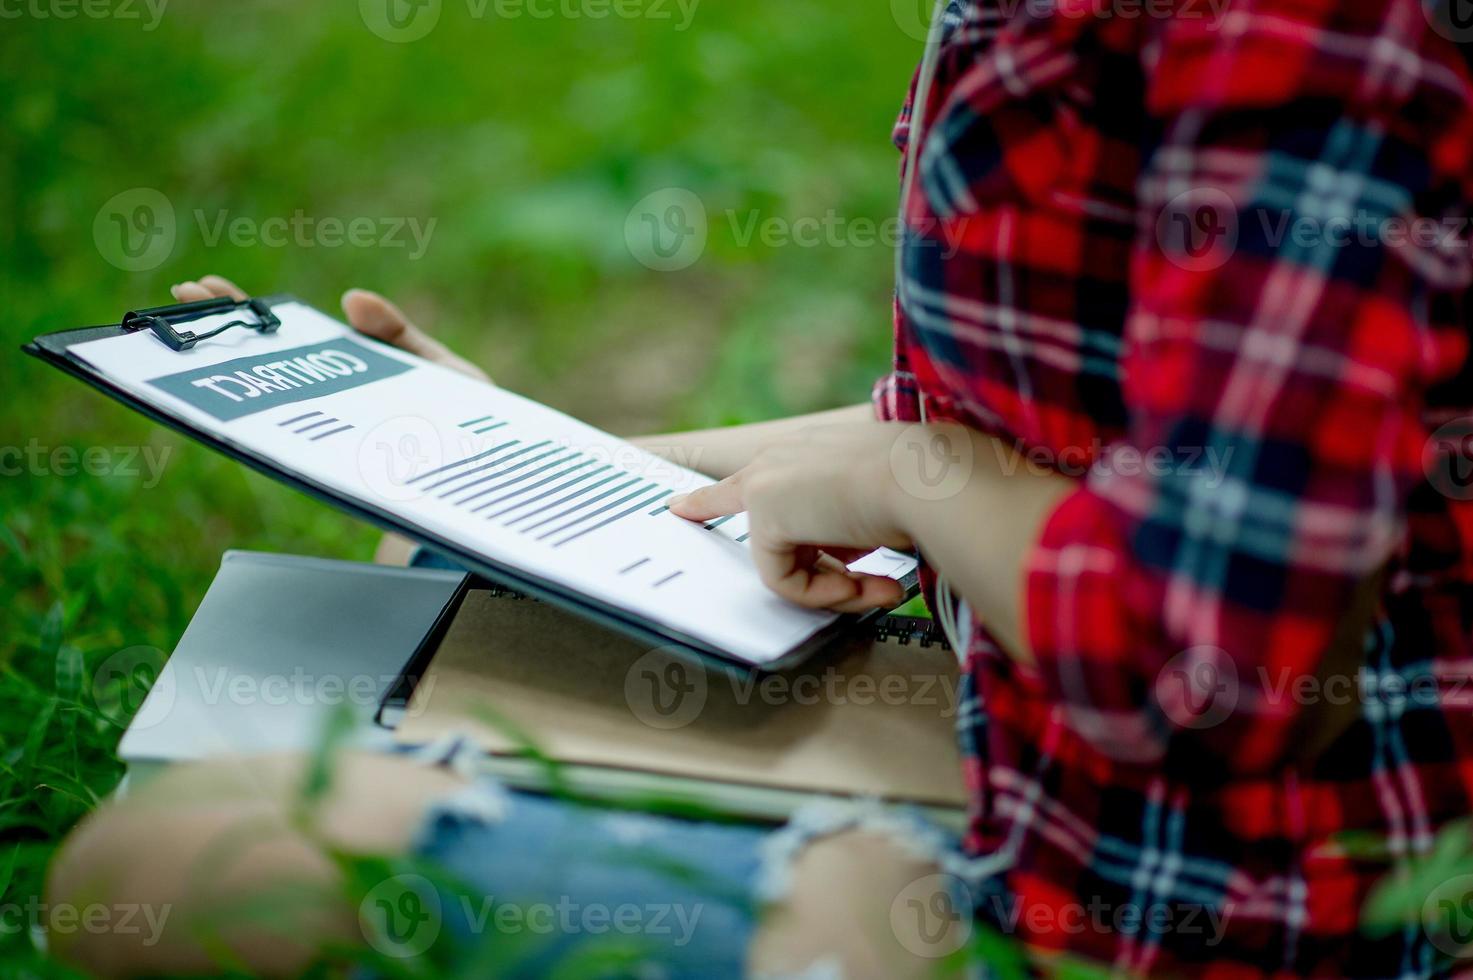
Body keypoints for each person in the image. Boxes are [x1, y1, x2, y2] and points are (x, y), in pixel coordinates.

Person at [48, 0, 1473, 975]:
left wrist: (915, 476)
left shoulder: (1291, 32)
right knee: (403, 607)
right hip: (1025, 738)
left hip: (1190, 899)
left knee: (180, 861)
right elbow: (1058, 427)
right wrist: (506, 455)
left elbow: (1223, 656)